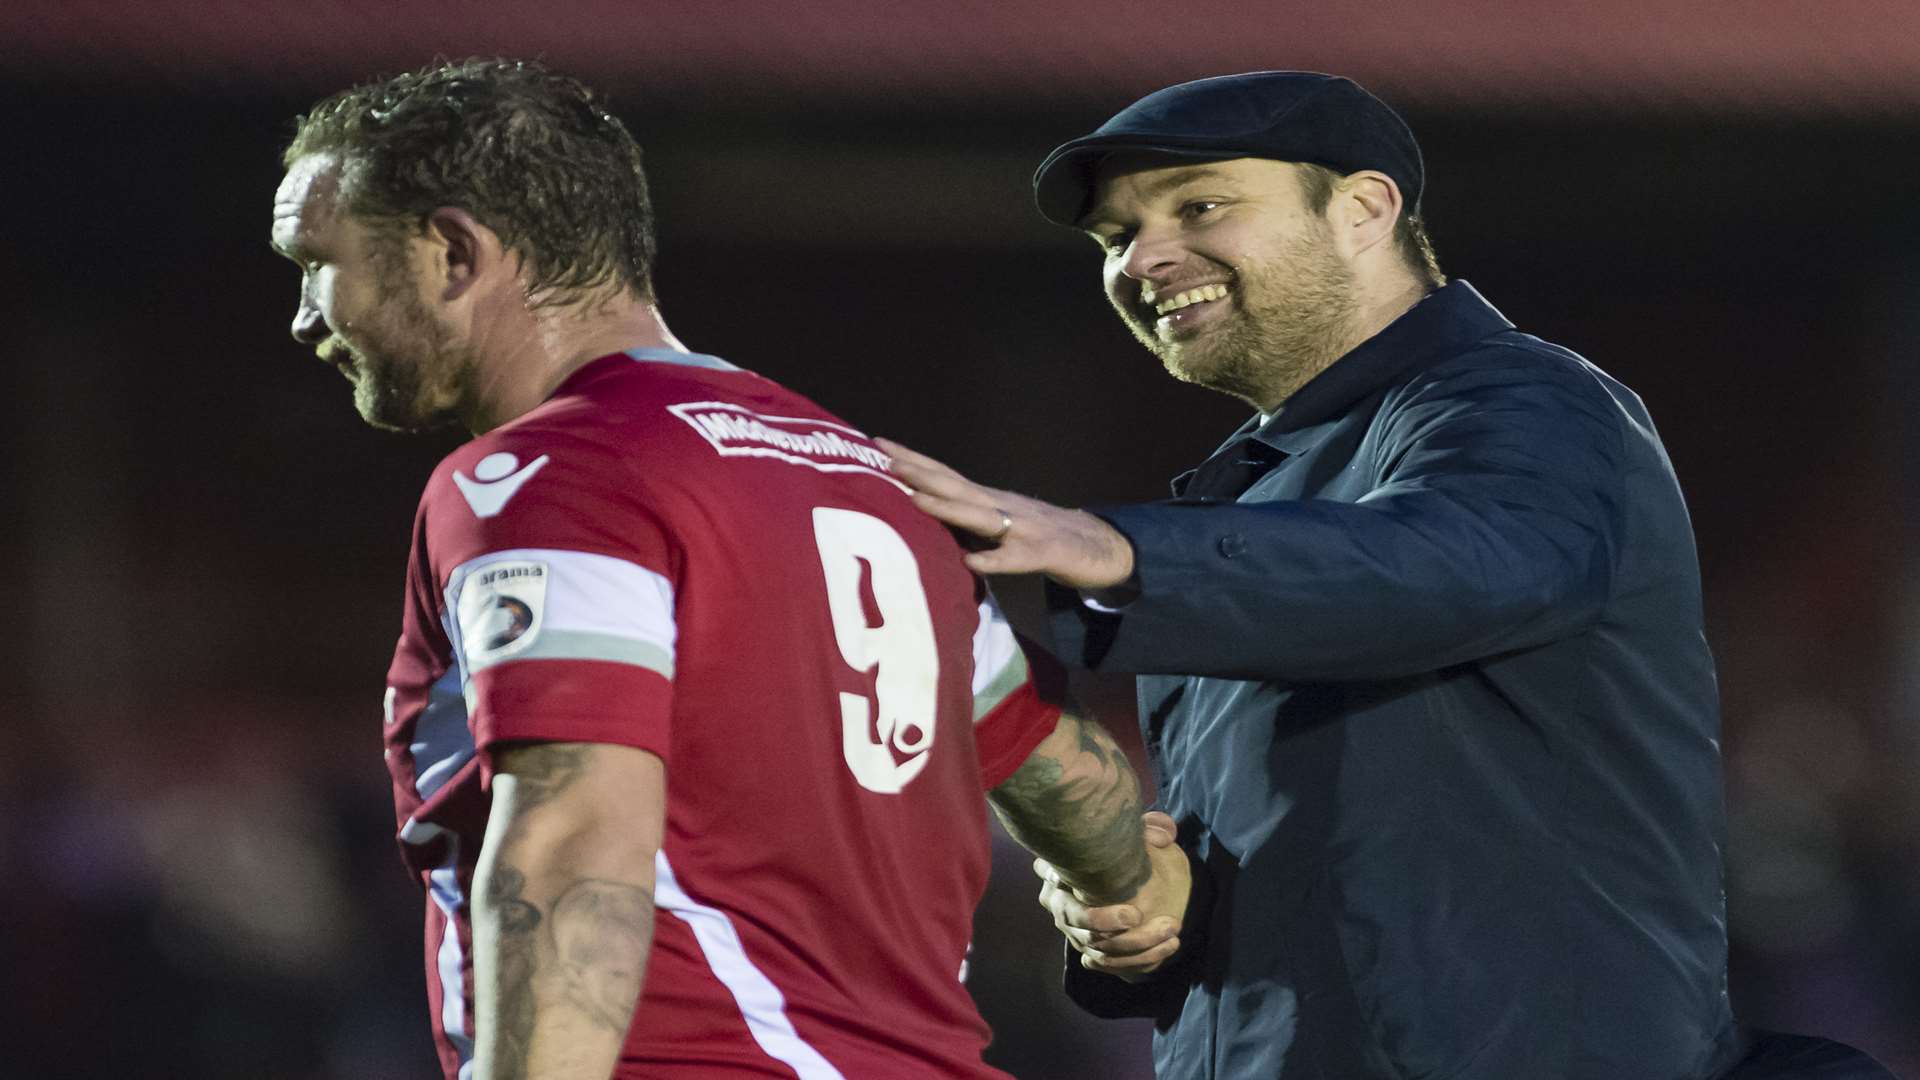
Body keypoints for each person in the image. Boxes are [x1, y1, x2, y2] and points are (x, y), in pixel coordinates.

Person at [883, 72, 1896, 1079]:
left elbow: (1472, 562)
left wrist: (1120, 551)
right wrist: (1142, 918)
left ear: (1365, 208)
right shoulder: (1242, 509)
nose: (1142, 257)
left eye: (1200, 204)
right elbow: (1329, 867)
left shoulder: (1527, 399)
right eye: (1113, 238)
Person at [270, 58, 1182, 1080]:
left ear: (452, 251)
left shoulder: (542, 477)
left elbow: (574, 833)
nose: (308, 316)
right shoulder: (873, 478)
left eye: (318, 262)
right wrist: (1127, 891)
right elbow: (1066, 777)